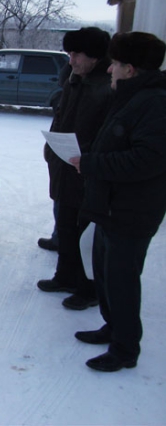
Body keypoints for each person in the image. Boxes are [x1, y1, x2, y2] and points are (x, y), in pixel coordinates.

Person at [69, 32, 166, 372]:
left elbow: (147, 160)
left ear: (131, 69)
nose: (109, 69)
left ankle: (125, 349)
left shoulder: (155, 103)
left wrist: (92, 163)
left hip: (133, 211)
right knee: (106, 276)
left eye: (115, 64)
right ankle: (112, 328)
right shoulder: (129, 96)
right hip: (111, 205)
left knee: (123, 281)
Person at [37, 27, 112, 311]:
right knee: (67, 227)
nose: (72, 60)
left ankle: (88, 288)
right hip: (64, 165)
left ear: (94, 56)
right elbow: (61, 118)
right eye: (70, 53)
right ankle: (65, 276)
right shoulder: (74, 80)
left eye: (77, 54)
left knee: (85, 234)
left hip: (87, 171)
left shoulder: (106, 87)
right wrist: (52, 147)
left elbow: (107, 134)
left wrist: (89, 159)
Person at [38, 63, 72, 252]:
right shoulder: (68, 94)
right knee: (60, 198)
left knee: (64, 200)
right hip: (61, 156)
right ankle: (59, 236)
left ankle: (61, 239)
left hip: (71, 158)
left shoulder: (80, 93)